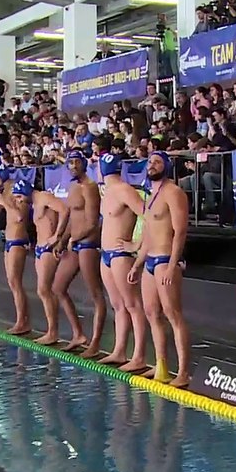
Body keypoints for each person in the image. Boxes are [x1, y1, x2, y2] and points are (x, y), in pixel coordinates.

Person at [130, 152, 192, 386]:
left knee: (173, 315)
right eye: (150, 162)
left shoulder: (173, 193)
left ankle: (183, 372)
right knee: (151, 313)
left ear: (165, 166)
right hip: (150, 261)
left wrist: (173, 264)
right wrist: (137, 264)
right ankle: (162, 365)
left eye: (157, 162)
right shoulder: (151, 195)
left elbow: (180, 232)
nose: (152, 165)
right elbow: (148, 234)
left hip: (166, 259)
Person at [97, 148, 149, 372]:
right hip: (106, 255)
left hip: (121, 255)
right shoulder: (107, 192)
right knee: (117, 305)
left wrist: (136, 245)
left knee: (133, 305)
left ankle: (138, 356)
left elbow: (149, 215)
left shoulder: (124, 190)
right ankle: (119, 351)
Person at [54, 147, 107, 356]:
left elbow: (93, 223)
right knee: (58, 287)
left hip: (88, 244)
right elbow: (74, 219)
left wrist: (74, 238)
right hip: (73, 243)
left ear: (84, 164)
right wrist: (63, 240)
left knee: (95, 295)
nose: (73, 166)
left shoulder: (90, 187)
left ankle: (95, 343)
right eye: (70, 163)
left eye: (77, 162)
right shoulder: (73, 188)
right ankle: (78, 334)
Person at [29, 179, 71, 345]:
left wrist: (57, 235)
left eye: (18, 197)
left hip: (48, 248)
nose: (18, 200)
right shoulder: (34, 202)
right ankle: (51, 330)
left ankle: (53, 332)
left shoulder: (44, 196)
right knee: (44, 291)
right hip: (40, 248)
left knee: (44, 289)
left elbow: (64, 210)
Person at [0, 177, 34, 335]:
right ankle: (21, 320)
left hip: (18, 241)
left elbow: (20, 218)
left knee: (15, 282)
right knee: (12, 282)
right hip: (10, 242)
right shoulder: (10, 202)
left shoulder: (21, 202)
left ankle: (23, 322)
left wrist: (5, 202)